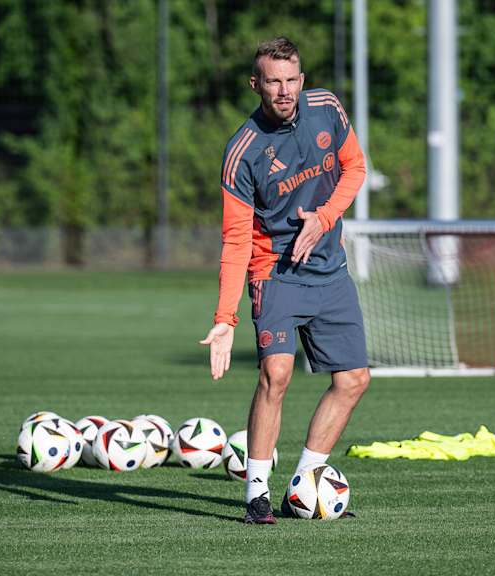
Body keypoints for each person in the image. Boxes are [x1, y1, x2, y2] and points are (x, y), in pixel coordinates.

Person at [199, 37, 371, 524]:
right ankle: (256, 493)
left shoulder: (328, 108)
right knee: (276, 374)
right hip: (274, 272)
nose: (284, 90)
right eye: (272, 81)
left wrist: (324, 217)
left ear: (301, 78)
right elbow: (234, 242)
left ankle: (305, 483)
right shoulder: (243, 153)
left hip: (329, 268)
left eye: (291, 79)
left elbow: (355, 168)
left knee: (354, 379)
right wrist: (224, 318)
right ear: (256, 84)